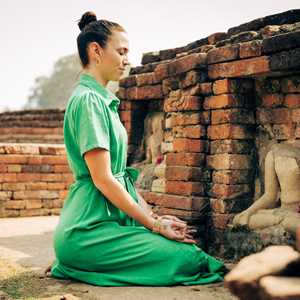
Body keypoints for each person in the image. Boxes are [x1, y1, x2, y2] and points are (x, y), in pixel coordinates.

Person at [50, 11, 226, 286]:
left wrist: (155, 218)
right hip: (88, 230)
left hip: (109, 223)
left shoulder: (101, 99)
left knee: (188, 247)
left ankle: (75, 263)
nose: (126, 60)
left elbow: (121, 178)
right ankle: (74, 261)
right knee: (188, 258)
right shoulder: (89, 102)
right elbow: (105, 179)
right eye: (121, 52)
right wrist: (154, 225)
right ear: (96, 50)